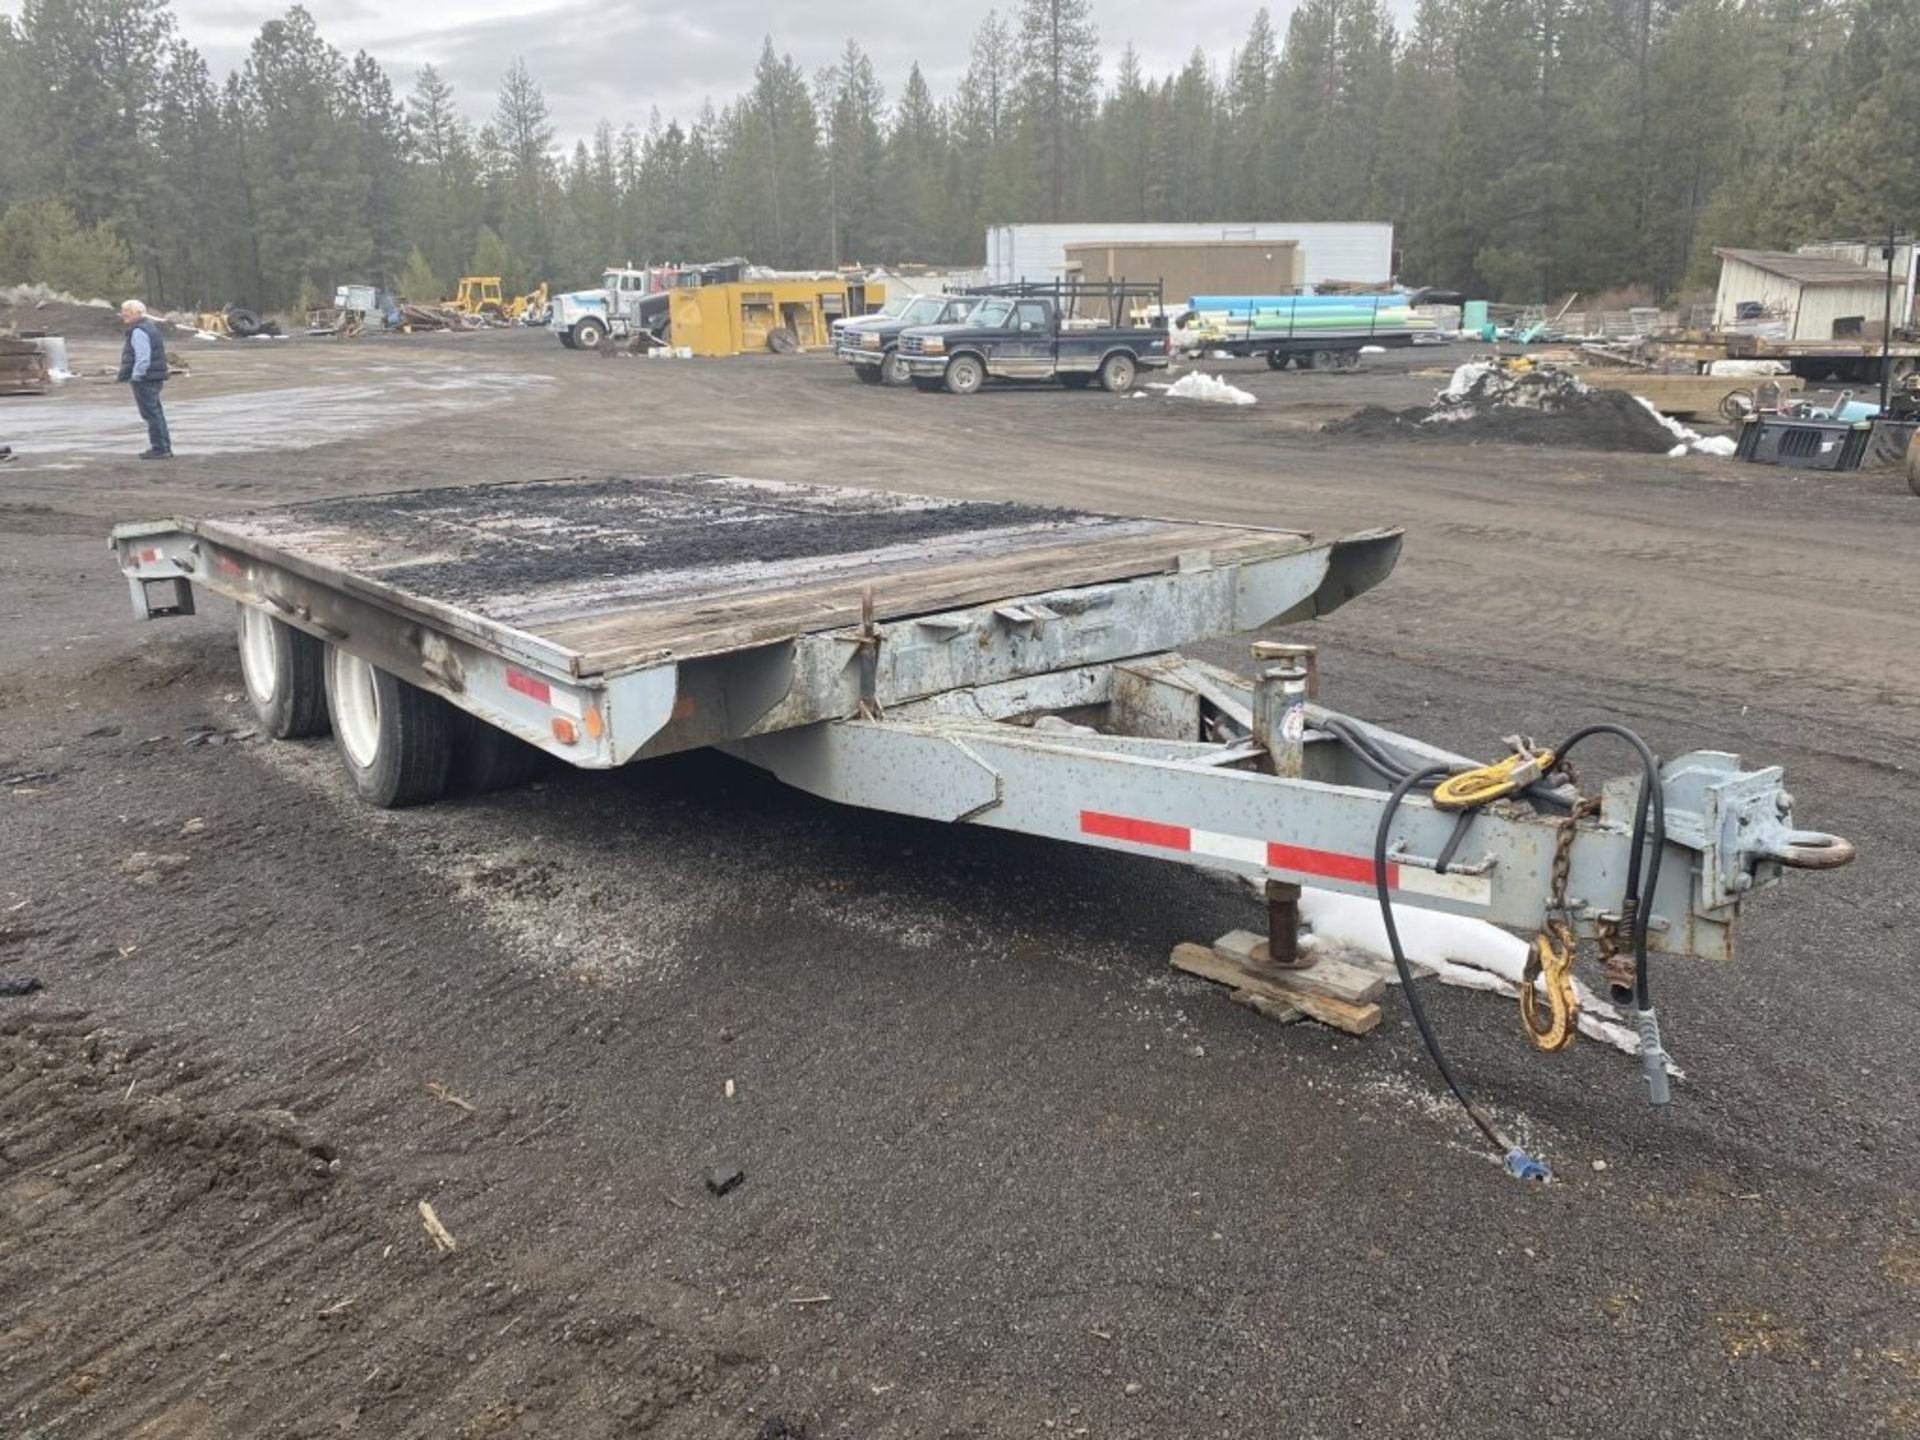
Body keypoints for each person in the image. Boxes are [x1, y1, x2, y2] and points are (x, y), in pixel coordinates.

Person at [118, 299, 172, 459]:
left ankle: (159, 449)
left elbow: (143, 357)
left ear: (136, 313)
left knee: (151, 414)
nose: (123, 314)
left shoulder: (139, 331)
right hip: (155, 376)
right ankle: (164, 447)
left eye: (125, 311)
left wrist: (136, 376)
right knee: (156, 413)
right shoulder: (149, 327)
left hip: (146, 378)